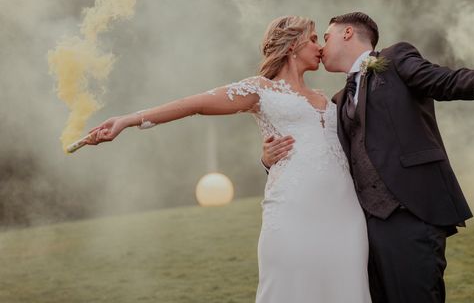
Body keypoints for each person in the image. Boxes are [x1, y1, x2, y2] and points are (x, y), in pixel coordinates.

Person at [85, 15, 372, 303]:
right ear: (292, 45)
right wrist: (129, 119)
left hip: (344, 214)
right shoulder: (260, 90)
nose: (319, 47)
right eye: (312, 39)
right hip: (293, 211)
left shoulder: (331, 98)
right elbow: (195, 104)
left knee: (347, 290)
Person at [261, 11, 474, 303]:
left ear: (347, 33)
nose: (320, 47)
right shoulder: (338, 100)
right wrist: (270, 160)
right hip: (363, 227)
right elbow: (319, 153)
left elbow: (445, 81)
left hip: (412, 211)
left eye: (326, 37)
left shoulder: (395, 60)